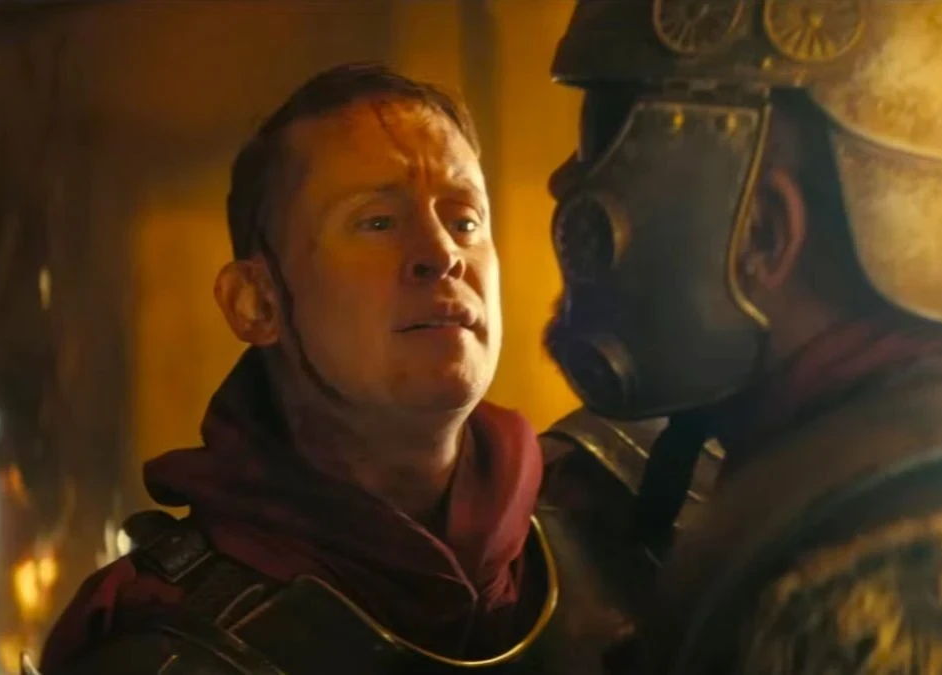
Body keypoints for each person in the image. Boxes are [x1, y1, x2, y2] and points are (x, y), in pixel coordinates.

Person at [32, 62, 560, 675]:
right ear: (256, 303)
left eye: (465, 221)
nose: (443, 254)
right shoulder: (161, 634)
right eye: (377, 222)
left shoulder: (607, 544)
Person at [544, 1, 942, 673]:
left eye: (605, 138)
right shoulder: (867, 493)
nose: (564, 182)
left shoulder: (909, 569)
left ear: (760, 231)